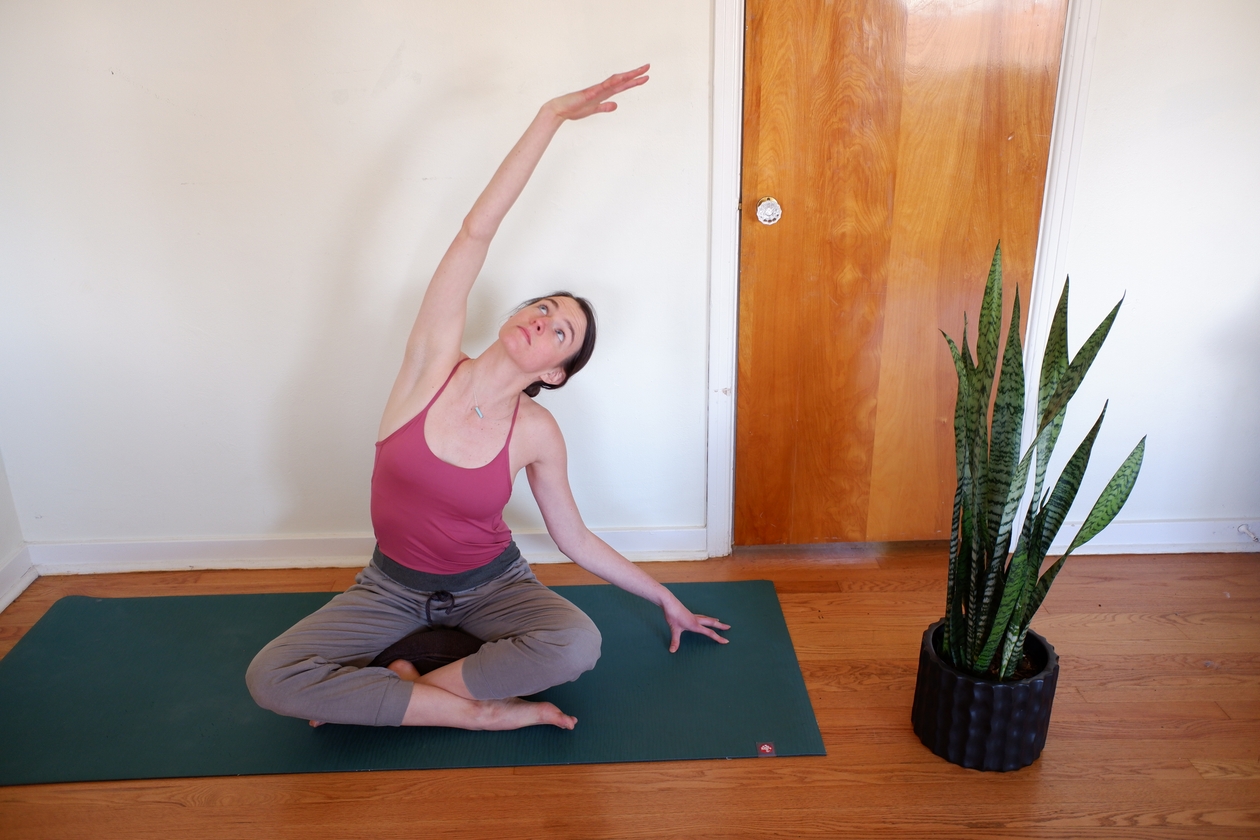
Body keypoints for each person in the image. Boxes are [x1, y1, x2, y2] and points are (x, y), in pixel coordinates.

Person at [246, 65, 729, 732]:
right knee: (270, 676)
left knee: (578, 644)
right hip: (389, 587)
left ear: (556, 371)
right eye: (542, 304)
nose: (541, 316)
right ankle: (478, 714)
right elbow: (476, 231)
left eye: (560, 330)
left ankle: (405, 694)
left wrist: (666, 599)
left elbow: (575, 539)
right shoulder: (429, 368)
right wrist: (550, 116)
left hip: (494, 587)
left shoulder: (536, 431)